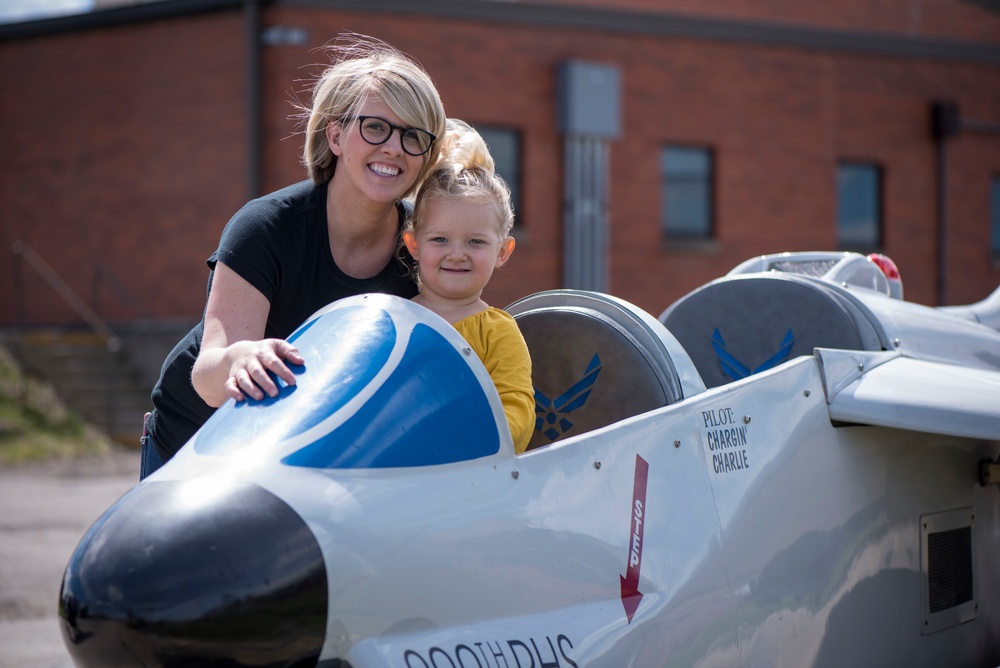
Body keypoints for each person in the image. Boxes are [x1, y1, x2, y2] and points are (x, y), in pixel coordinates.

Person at [140, 35, 447, 479]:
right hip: (194, 447)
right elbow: (209, 377)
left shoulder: (424, 245)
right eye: (376, 127)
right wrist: (239, 359)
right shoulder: (265, 227)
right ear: (336, 135)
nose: (394, 147)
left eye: (413, 135)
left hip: (302, 459)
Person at [402, 119, 534, 453]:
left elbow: (517, 409)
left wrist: (466, 440)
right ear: (413, 244)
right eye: (440, 239)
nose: (456, 254)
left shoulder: (498, 333)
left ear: (502, 252)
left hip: (465, 478)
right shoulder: (392, 318)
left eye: (475, 241)